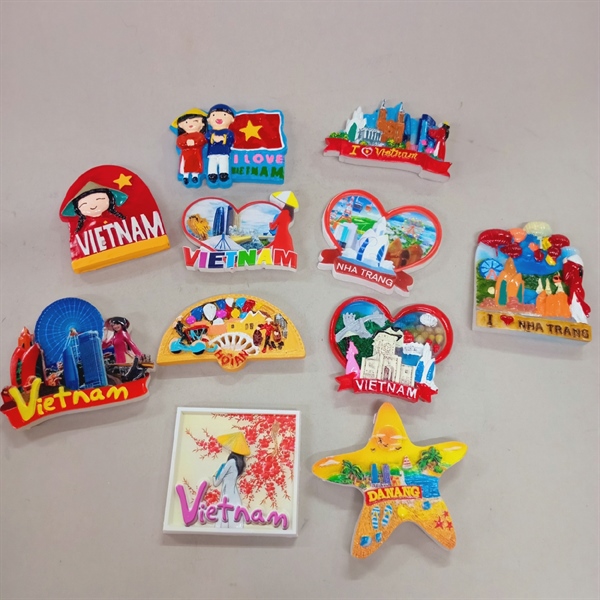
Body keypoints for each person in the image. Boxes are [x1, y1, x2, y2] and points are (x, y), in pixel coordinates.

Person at [212, 432, 250, 529]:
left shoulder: (231, 462)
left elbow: (217, 481)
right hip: (233, 491)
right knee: (233, 513)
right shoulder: (239, 464)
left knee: (225, 513)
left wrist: (214, 476)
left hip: (227, 492)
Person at [61, 182, 127, 234]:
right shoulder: (86, 229)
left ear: (110, 199)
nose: (93, 206)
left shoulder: (115, 220)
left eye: (99, 199)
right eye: (84, 204)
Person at [174, 110, 208, 185]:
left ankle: (195, 176)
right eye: (186, 122)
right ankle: (185, 176)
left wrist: (195, 142)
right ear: (181, 125)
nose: (190, 124)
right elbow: (179, 143)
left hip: (196, 153)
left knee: (195, 165)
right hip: (185, 154)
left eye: (195, 121)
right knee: (184, 164)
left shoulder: (200, 135)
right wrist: (185, 143)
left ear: (202, 124)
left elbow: (202, 140)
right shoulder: (182, 137)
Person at [206, 104, 236, 184]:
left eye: (224, 115)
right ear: (209, 120)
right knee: (212, 162)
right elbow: (207, 137)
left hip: (224, 151)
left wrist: (223, 138)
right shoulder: (210, 132)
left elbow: (231, 138)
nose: (219, 118)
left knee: (224, 161)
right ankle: (212, 174)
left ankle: (224, 173)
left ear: (232, 119)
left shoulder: (228, 132)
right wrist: (213, 138)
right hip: (212, 151)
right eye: (214, 115)